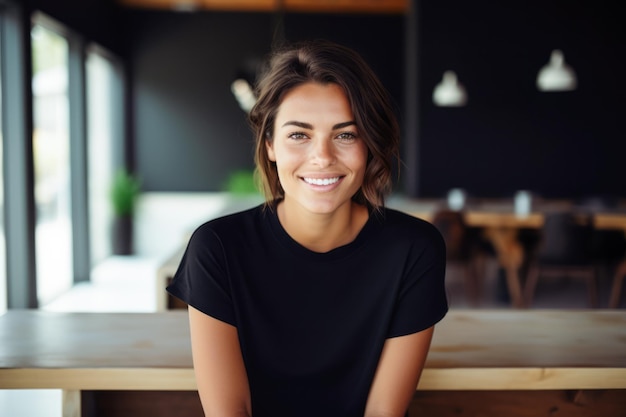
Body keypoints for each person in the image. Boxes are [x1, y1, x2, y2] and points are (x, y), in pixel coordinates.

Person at [167, 39, 448, 417]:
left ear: (369, 143)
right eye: (299, 134)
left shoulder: (414, 249)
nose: (323, 158)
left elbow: (384, 411)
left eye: (345, 134)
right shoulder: (217, 248)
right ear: (269, 144)